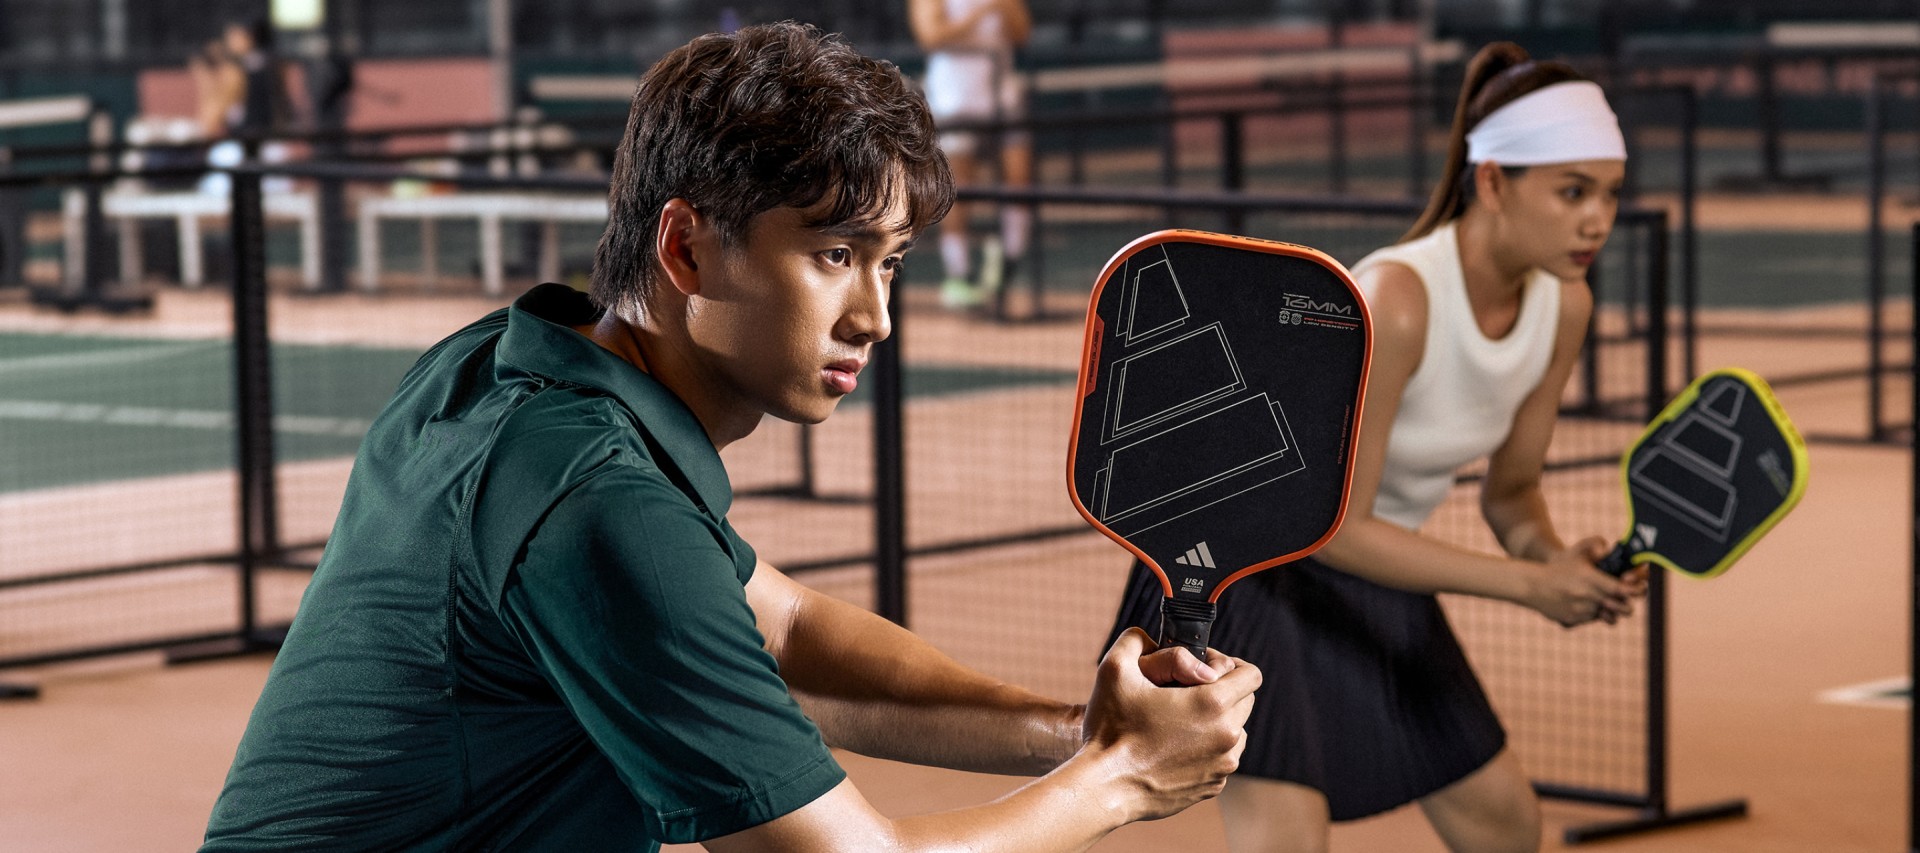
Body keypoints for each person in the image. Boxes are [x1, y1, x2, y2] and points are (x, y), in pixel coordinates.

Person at [202, 22, 1261, 852]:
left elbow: (789, 637)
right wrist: (1121, 779)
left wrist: (1082, 728)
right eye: (835, 254)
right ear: (687, 249)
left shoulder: (502, 368)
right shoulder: (596, 502)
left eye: (889, 261)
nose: (876, 317)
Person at [1106, 42, 1649, 853]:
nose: (1595, 219)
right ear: (1493, 181)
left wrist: (1559, 559)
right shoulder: (1395, 301)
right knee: (1289, 839)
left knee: (1504, 826)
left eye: (1608, 193)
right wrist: (1529, 585)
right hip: (1251, 565)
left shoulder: (1564, 304)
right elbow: (1339, 523)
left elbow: (1513, 491)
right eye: (1571, 192)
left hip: (1367, 567)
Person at [908, 0, 1033, 310]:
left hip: (1002, 96)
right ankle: (959, 274)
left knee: (1019, 181)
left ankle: (1008, 263)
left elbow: (1022, 33)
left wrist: (1004, 9)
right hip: (953, 100)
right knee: (958, 189)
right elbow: (930, 36)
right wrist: (980, 15)